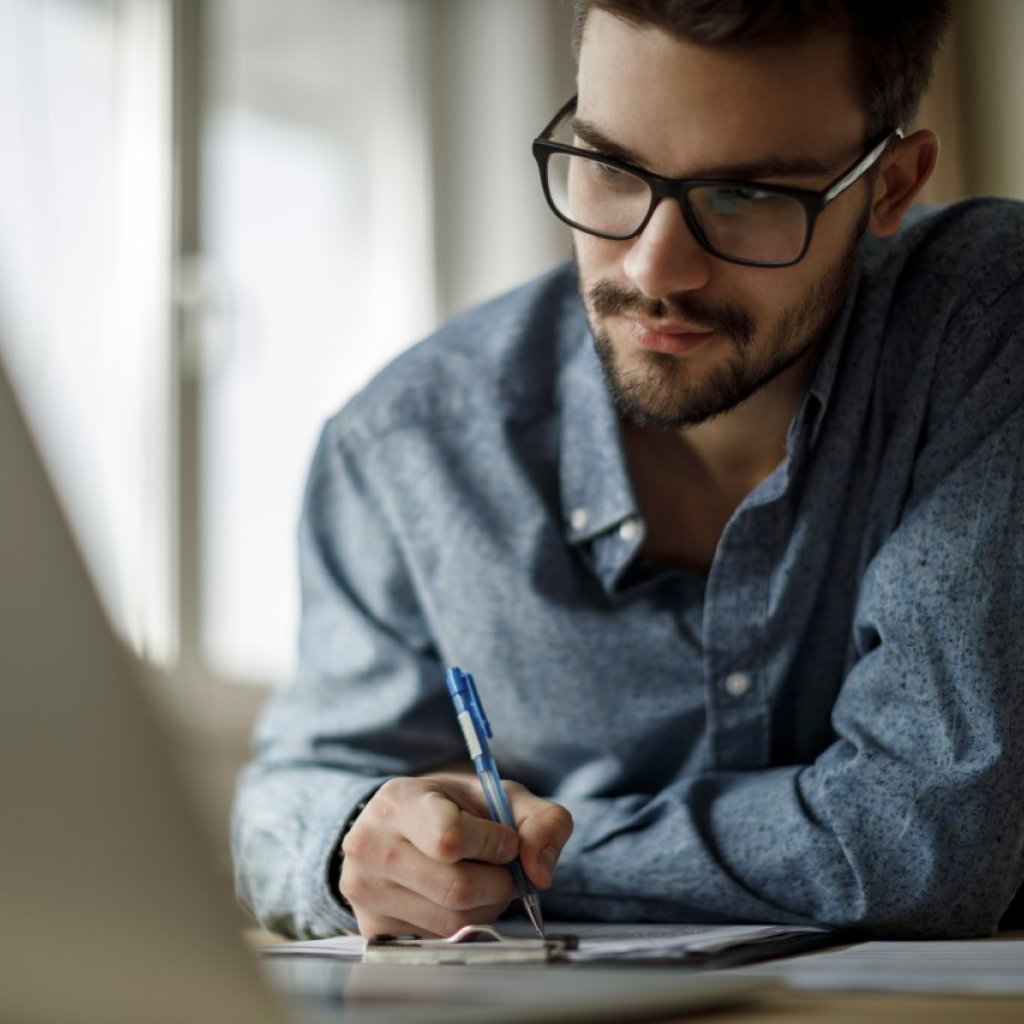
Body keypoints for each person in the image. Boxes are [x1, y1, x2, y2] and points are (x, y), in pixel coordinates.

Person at [232, 0, 1024, 941]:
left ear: (891, 186)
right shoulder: (408, 446)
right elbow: (290, 800)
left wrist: (524, 864)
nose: (656, 269)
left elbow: (924, 840)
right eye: (610, 169)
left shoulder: (989, 330)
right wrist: (359, 842)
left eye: (746, 195)